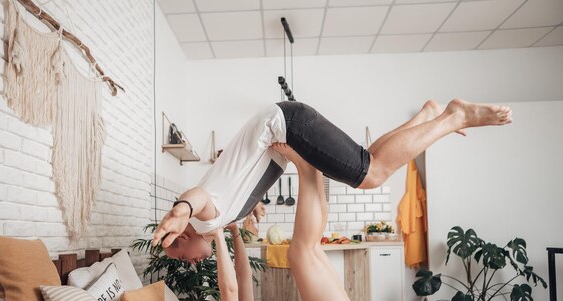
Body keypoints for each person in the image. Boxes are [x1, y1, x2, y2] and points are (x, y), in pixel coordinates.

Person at [152, 99, 512, 262]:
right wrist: (252, 208)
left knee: (372, 174)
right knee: (369, 161)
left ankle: (452, 117)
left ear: (183, 233)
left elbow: (198, 195)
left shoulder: (203, 219)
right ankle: (428, 116)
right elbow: (227, 186)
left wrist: (182, 207)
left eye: (178, 253)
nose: (189, 261)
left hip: (286, 126)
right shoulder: (220, 219)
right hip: (285, 124)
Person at [163, 144, 369, 301]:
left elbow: (242, 279)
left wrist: (234, 231)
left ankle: (312, 165)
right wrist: (218, 233)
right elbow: (228, 290)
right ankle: (304, 164)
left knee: (312, 247)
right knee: (300, 252)